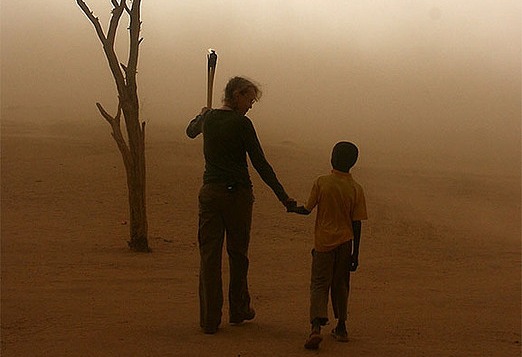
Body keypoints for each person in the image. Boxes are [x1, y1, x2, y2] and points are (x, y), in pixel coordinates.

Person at [186, 76, 297, 334]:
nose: (250, 105)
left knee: (210, 256)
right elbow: (260, 163)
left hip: (211, 194)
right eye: (249, 99)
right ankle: (238, 309)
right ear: (236, 95)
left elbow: (190, 131)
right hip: (237, 196)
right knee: (238, 255)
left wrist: (201, 116)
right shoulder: (242, 123)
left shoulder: (210, 119)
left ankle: (209, 319)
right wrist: (283, 196)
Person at [288, 141, 368, 350]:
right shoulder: (356, 189)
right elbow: (356, 223)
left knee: (319, 284)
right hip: (345, 243)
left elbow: (307, 209)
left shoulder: (322, 183)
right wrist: (356, 253)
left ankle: (316, 326)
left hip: (323, 243)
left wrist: (291, 208)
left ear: (332, 158)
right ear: (353, 163)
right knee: (341, 285)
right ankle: (341, 327)